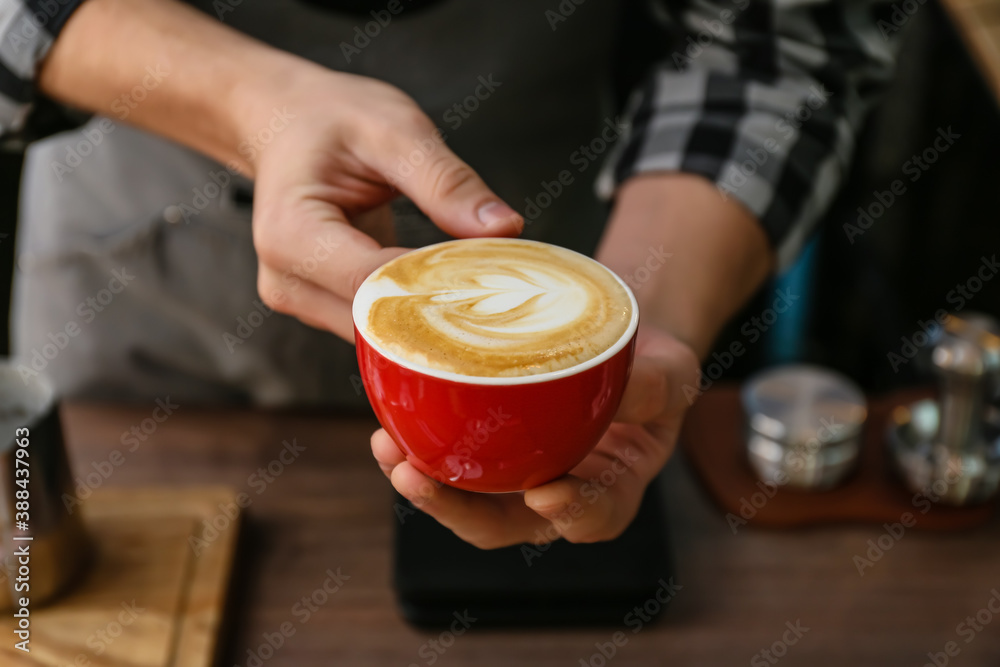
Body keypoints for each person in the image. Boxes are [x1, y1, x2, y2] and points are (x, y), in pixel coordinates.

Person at [0, 0, 898, 548]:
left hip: (575, 231)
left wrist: (636, 342)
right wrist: (253, 104)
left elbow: (773, 49)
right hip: (137, 293)